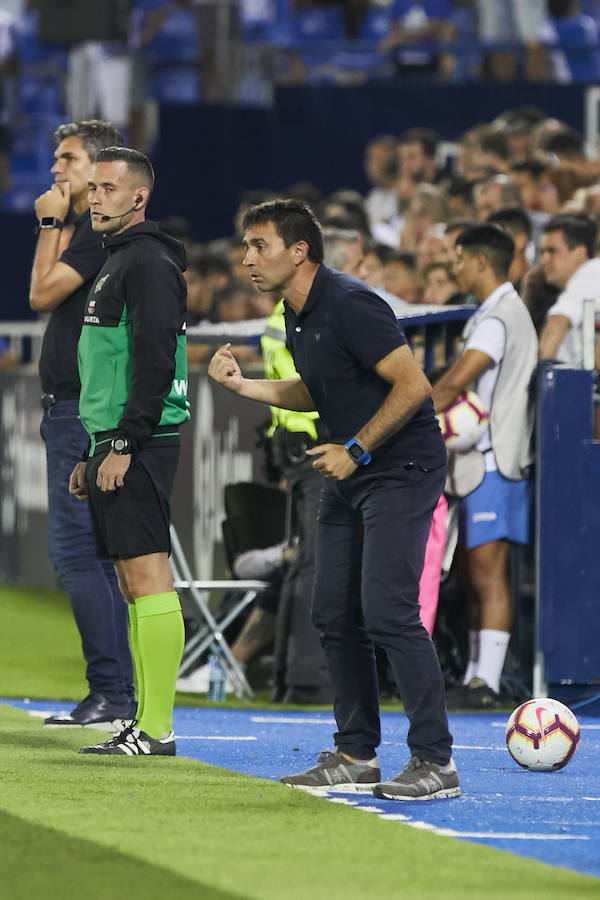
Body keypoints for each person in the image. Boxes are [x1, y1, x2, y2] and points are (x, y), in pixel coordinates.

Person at [209, 199, 459, 801]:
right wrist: (245, 387)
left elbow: (414, 386)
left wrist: (356, 448)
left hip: (401, 466)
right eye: (245, 246)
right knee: (332, 611)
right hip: (352, 469)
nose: (247, 258)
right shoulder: (294, 313)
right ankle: (356, 754)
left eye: (259, 246)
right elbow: (311, 388)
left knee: (387, 611)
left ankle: (436, 761)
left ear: (300, 251)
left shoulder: (350, 302)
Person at [69, 147, 189, 756]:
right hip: (114, 440)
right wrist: (95, 445)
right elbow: (111, 365)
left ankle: (158, 727)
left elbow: (153, 360)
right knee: (129, 580)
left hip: (139, 442)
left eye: (108, 188)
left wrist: (122, 441)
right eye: (92, 187)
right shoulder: (120, 260)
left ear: (137, 197)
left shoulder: (145, 260)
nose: (95, 197)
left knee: (148, 577)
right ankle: (146, 720)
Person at [29, 119, 137, 730]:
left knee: (78, 552)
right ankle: (114, 692)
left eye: (67, 158)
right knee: (93, 557)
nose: (55, 169)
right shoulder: (91, 236)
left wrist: (50, 224)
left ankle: (113, 694)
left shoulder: (98, 237)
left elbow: (41, 295)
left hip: (81, 410)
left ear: (99, 170)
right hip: (73, 408)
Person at [432, 224, 538, 708]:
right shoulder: (494, 312)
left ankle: (487, 682)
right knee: (475, 572)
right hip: (483, 462)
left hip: (495, 462)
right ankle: (476, 675)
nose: (454, 267)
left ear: (479, 261)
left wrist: (419, 410)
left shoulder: (499, 317)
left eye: (458, 258)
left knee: (487, 573)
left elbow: (460, 378)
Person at [539, 213, 600, 366]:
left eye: (552, 251)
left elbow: (557, 323)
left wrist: (540, 379)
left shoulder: (590, 272)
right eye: (542, 252)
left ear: (579, 253)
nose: (544, 260)